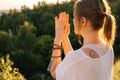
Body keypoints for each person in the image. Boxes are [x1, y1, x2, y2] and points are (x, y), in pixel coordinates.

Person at [48, 0, 116, 80]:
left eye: (74, 17)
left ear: (83, 21)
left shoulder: (76, 59)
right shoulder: (108, 48)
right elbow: (76, 62)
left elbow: (54, 71)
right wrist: (64, 38)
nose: (73, 21)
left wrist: (57, 39)